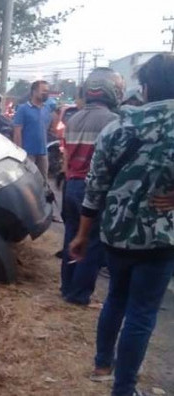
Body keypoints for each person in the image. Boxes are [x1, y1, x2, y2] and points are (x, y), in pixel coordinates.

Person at [69, 53, 174, 396]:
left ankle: (102, 364)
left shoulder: (117, 126)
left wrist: (83, 235)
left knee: (115, 297)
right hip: (160, 236)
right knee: (142, 312)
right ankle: (124, 389)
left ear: (143, 88)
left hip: (115, 231)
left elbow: (95, 186)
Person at [60, 68, 122, 306]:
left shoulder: (72, 119)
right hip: (92, 189)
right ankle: (80, 294)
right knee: (91, 242)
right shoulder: (112, 121)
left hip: (72, 185)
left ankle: (67, 287)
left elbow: (67, 155)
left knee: (71, 237)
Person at [12, 80, 52, 178]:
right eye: (43, 91)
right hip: (28, 153)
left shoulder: (46, 109)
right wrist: (20, 153)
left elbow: (45, 128)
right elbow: (17, 132)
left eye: (47, 91)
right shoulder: (23, 109)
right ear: (34, 92)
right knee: (28, 180)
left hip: (43, 152)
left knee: (43, 180)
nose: (46, 93)